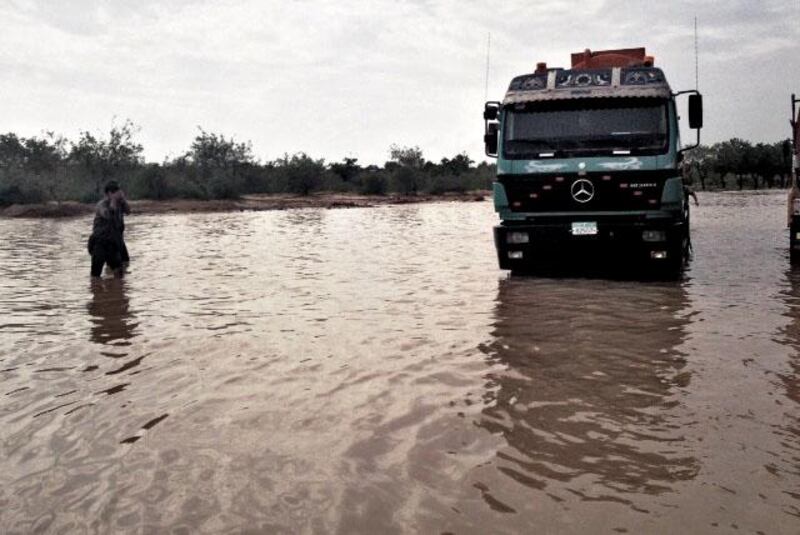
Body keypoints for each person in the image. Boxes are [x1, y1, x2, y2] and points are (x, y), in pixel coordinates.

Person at [88, 181, 130, 278]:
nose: (119, 193)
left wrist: (123, 200)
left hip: (113, 242)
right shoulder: (101, 205)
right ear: (109, 193)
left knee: (120, 274)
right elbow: (108, 215)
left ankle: (115, 291)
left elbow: (128, 211)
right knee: (95, 275)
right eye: (116, 192)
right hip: (100, 242)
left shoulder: (120, 204)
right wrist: (113, 201)